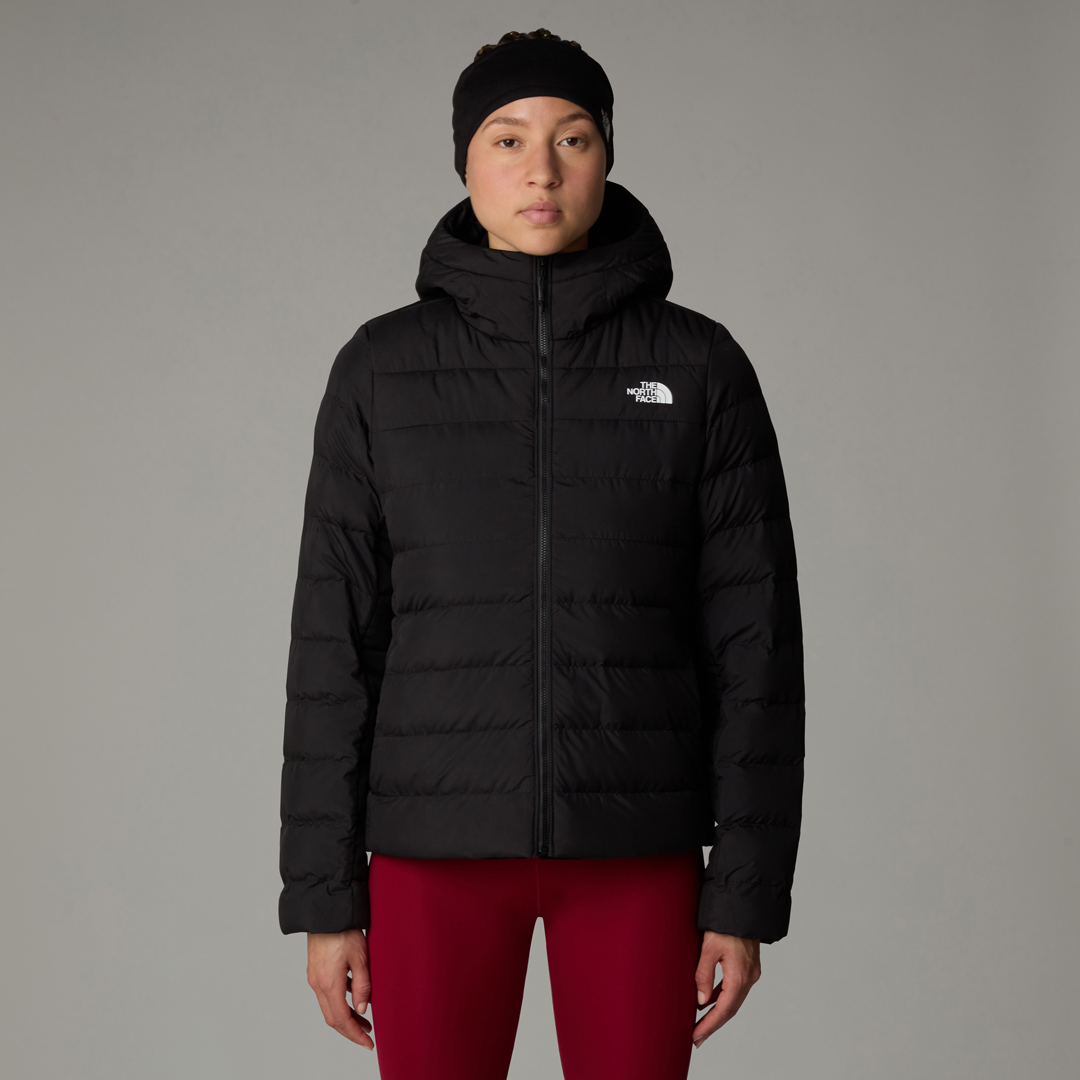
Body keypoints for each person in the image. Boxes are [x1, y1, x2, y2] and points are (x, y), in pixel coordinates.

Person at [278, 27, 804, 1080]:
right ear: (465, 162)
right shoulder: (380, 371)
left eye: (573, 138)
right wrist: (326, 900)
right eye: (508, 139)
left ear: (606, 157)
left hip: (638, 845)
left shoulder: (700, 366)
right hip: (430, 852)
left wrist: (744, 894)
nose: (542, 170)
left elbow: (756, 647)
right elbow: (333, 646)